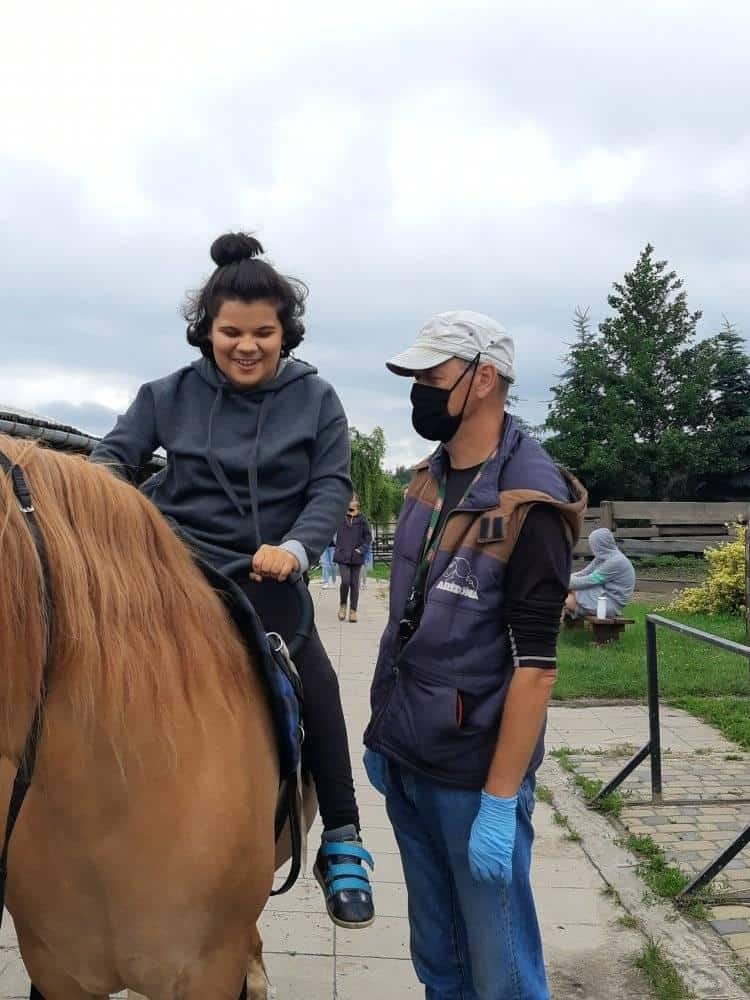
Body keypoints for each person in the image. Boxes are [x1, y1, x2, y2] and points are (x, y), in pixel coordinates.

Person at [90, 233, 374, 929]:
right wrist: (105, 506)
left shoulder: (317, 400)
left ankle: (342, 836)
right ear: (207, 332)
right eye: (231, 332)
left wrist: (298, 548)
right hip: (169, 570)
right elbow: (110, 458)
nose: (246, 346)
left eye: (263, 333)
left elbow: (330, 485)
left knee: (317, 679)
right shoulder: (165, 394)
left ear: (285, 332)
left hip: (264, 573)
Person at [363, 311, 586, 999]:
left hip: (472, 777)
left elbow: (536, 668)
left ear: (483, 378)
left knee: (501, 973)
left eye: (433, 376)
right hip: (406, 757)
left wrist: (498, 800)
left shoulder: (531, 503)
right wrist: (383, 732)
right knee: (439, 957)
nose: (419, 392)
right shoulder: (426, 481)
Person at [565, 527, 635, 619]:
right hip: (599, 594)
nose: (592, 548)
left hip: (608, 603)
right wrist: (564, 578)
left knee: (565, 599)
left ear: (600, 544)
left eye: (593, 545)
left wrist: (563, 582)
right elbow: (584, 573)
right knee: (564, 593)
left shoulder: (616, 561)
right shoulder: (602, 558)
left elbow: (590, 580)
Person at [334, 496, 372, 622]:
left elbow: (368, 538)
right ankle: (343, 605)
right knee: (345, 581)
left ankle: (353, 611)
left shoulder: (362, 520)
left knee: (355, 584)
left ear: (357, 505)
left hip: (356, 556)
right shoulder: (340, 517)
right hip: (342, 555)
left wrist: (361, 549)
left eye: (353, 503)